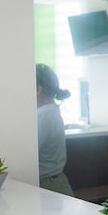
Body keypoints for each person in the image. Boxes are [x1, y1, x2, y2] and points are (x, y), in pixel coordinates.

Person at [36, 63, 75, 196]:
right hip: (55, 182)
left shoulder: (43, 115)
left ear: (38, 89)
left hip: (48, 184)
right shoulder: (51, 112)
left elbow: (28, 154)